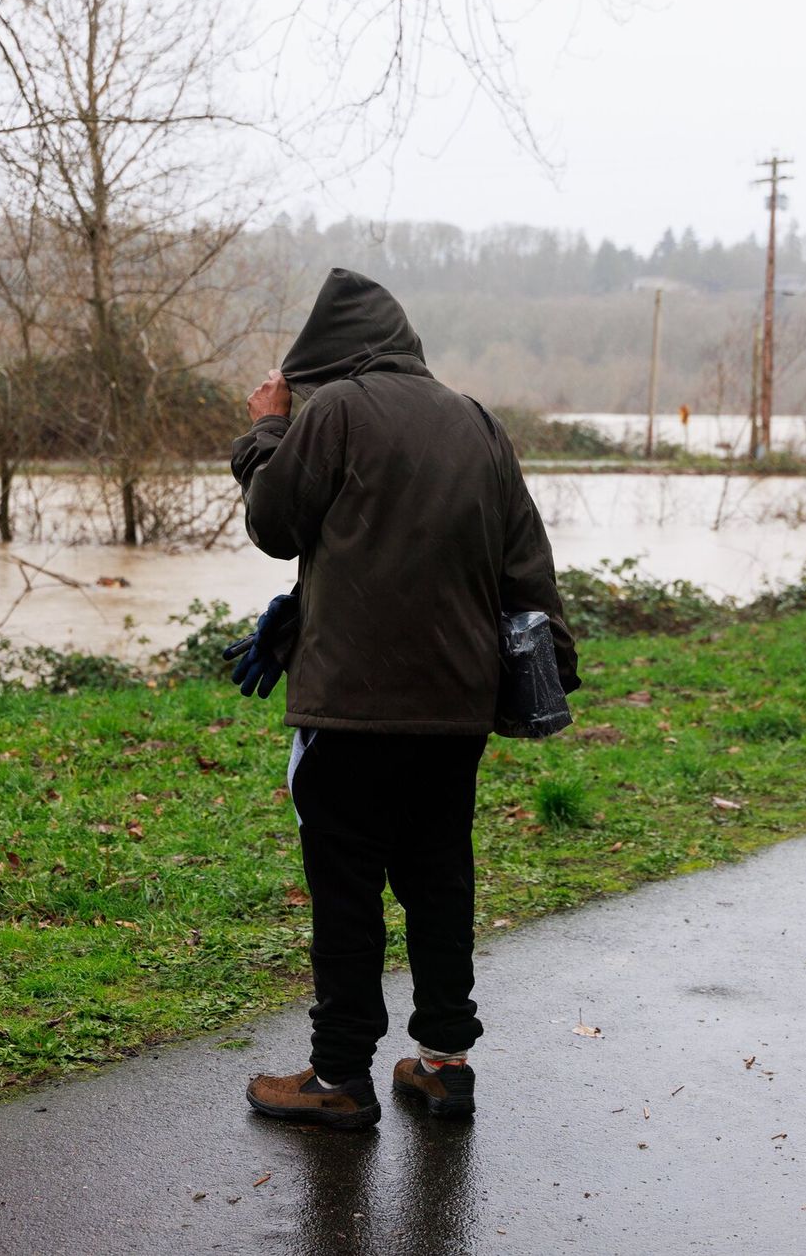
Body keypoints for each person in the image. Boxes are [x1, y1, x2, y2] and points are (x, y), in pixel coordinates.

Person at [231, 267, 579, 1128]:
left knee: (345, 886)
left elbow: (274, 522)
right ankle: (443, 1064)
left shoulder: (337, 412)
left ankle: (341, 1075)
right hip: (454, 710)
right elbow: (526, 567)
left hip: (350, 709)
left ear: (335, 358)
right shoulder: (477, 423)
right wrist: (549, 669)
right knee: (437, 877)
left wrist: (267, 431)